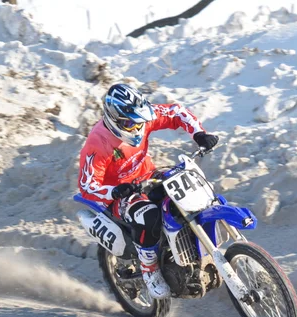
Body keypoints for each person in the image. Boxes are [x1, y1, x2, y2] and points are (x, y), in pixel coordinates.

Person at [78, 84, 219, 299]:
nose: (136, 128)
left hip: (149, 176)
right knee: (149, 215)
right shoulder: (98, 143)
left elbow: (176, 112)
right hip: (119, 194)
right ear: (113, 119)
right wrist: (115, 191)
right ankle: (149, 269)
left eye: (139, 122)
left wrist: (199, 133)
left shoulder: (143, 117)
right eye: (129, 123)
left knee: (186, 197)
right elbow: (87, 184)